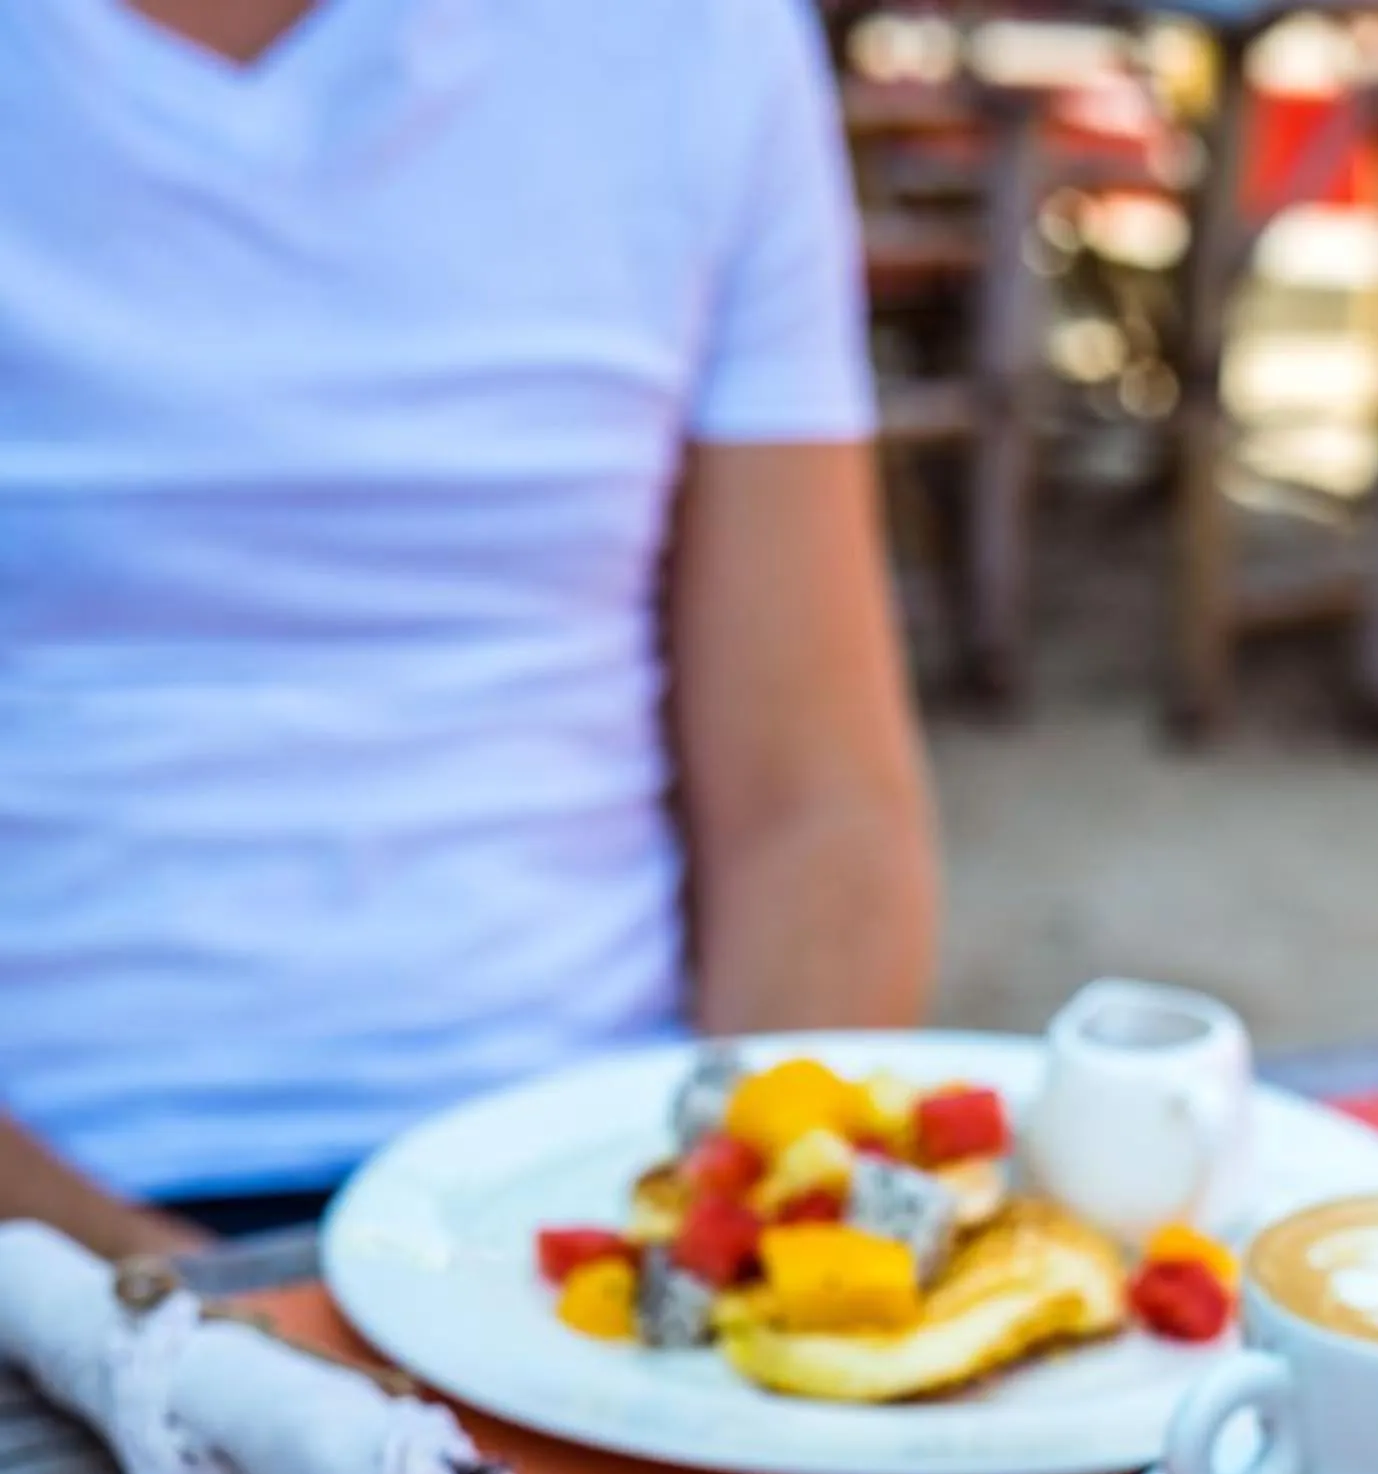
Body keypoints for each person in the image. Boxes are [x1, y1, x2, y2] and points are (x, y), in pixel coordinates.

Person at [0, 0, 938, 1256]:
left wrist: (722, 1227)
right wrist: (171, 1310)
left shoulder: (699, 42)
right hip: (51, 1222)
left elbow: (816, 807)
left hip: (589, 1191)